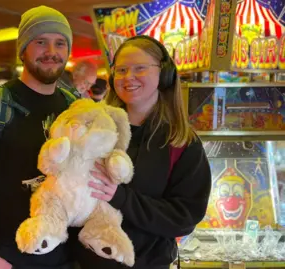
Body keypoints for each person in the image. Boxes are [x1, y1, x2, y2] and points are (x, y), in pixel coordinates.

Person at [71, 35, 212, 269]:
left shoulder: (181, 142)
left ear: (163, 74)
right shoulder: (94, 128)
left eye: (140, 68)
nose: (129, 77)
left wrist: (121, 197)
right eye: (122, 69)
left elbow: (184, 217)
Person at [0, 5, 77, 269]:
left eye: (60, 43)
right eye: (40, 42)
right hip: (8, 258)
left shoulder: (75, 106)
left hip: (67, 255)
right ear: (23, 50)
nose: (51, 52)